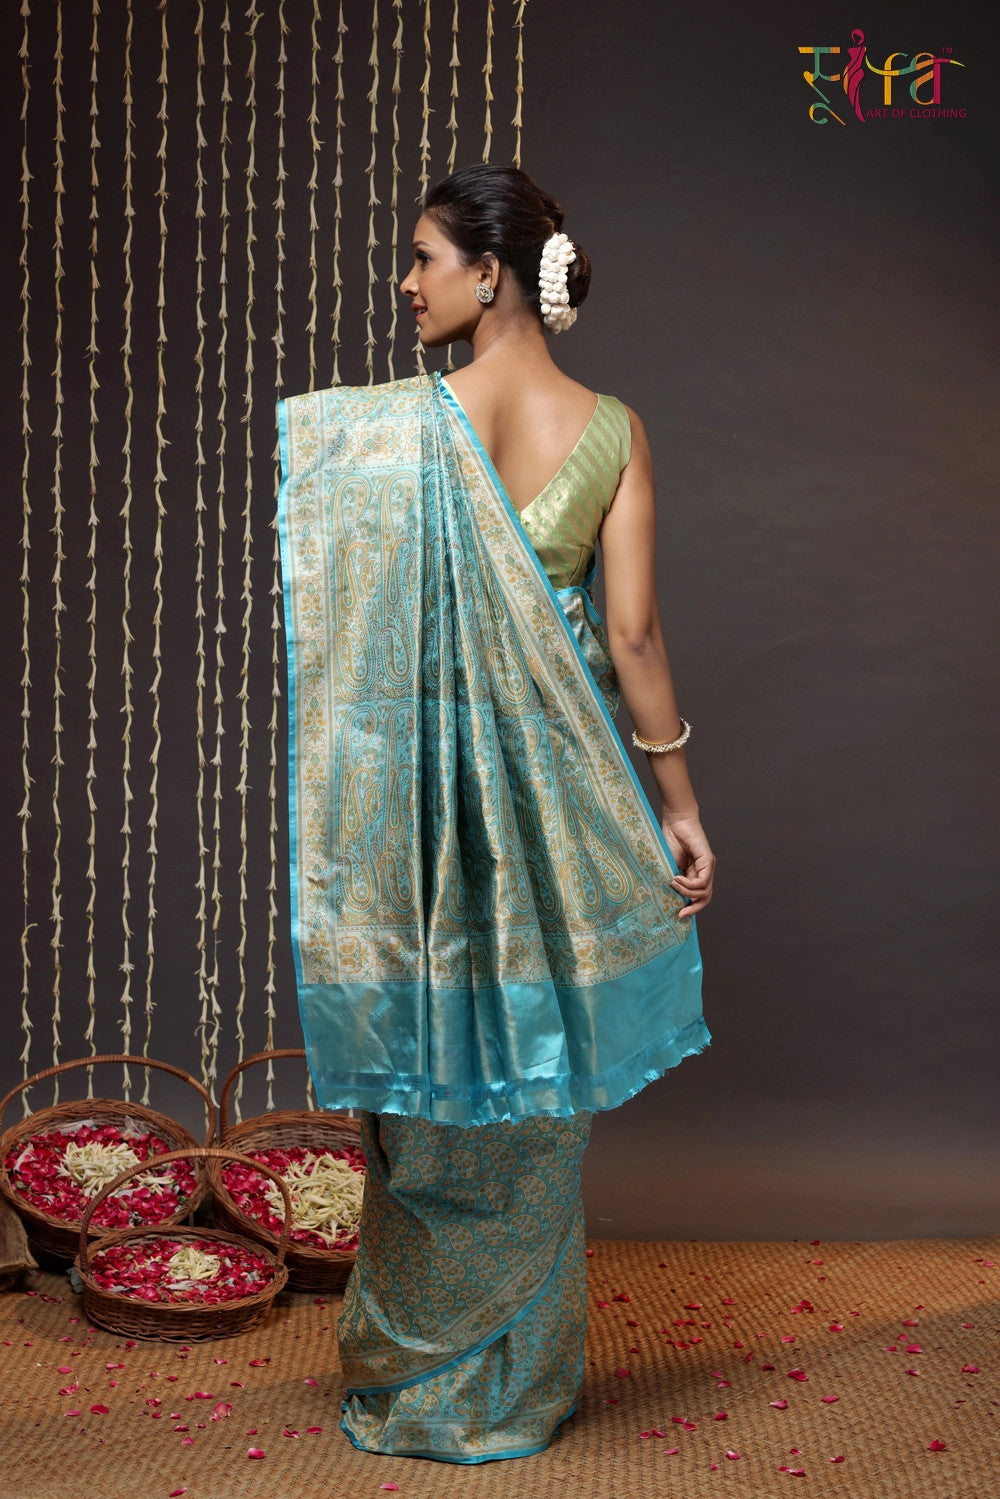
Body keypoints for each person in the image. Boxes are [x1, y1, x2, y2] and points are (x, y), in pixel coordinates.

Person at [277, 163, 715, 1464]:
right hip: (556, 815)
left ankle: (415, 1387)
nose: (407, 284)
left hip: (421, 816)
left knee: (429, 1077)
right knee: (532, 1076)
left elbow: (364, 656)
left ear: (492, 272)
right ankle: (513, 1391)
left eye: (423, 258)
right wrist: (679, 807)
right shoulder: (613, 430)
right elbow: (633, 638)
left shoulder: (396, 435)